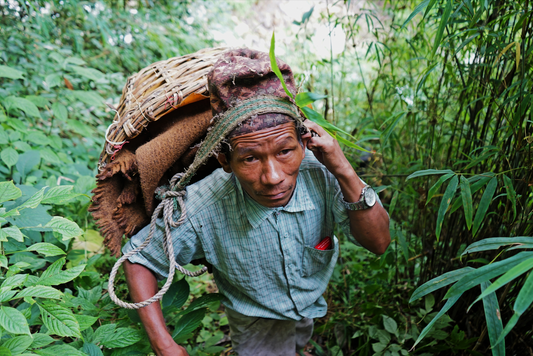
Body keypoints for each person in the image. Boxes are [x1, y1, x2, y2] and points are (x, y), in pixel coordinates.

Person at [122, 48, 390, 356]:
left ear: (304, 145)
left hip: (308, 306)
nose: (273, 176)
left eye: (285, 151)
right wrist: (163, 343)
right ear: (225, 160)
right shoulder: (202, 206)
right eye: (250, 158)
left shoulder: (324, 176)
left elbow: (379, 242)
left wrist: (342, 167)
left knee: (298, 340)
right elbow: (138, 259)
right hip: (254, 321)